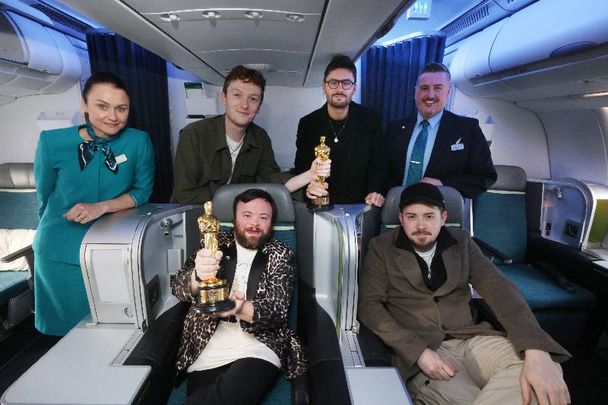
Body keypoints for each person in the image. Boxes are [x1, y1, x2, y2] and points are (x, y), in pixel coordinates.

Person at [358, 183, 571, 404]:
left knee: (545, 371)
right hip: (422, 349)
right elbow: (369, 306)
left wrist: (536, 348)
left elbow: (500, 290)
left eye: (429, 216)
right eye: (412, 217)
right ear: (401, 219)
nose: (421, 225)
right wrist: (418, 352)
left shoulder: (461, 242)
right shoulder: (381, 248)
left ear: (443, 217)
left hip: (472, 339)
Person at [33, 71, 155, 336]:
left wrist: (102, 207)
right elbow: (43, 197)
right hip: (60, 248)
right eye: (102, 106)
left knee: (112, 332)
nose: (113, 116)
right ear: (84, 104)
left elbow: (142, 191)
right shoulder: (52, 142)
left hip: (112, 247)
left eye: (121, 109)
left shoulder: (138, 141)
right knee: (63, 335)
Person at [172, 188, 306, 404]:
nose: (255, 223)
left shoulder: (280, 253)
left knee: (228, 396)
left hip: (260, 345)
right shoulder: (213, 243)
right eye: (247, 216)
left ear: (271, 223)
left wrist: (239, 307)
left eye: (264, 217)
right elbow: (178, 287)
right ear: (234, 219)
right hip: (209, 343)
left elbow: (277, 311)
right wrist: (197, 276)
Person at [171, 65, 329, 205]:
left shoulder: (260, 138)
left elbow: (273, 183)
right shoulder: (193, 134)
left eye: (253, 99)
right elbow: (185, 195)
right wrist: (244, 193)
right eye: (237, 95)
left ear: (258, 107)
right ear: (224, 98)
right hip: (194, 216)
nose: (244, 105)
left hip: (238, 219)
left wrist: (310, 174)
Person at [385, 62, 497, 198]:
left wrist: (443, 183)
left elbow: (485, 177)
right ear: (416, 92)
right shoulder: (395, 128)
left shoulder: (467, 129)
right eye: (424, 88)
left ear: (448, 91)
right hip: (394, 208)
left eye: (438, 88)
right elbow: (380, 170)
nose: (430, 95)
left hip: (440, 213)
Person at [293, 55, 387, 207]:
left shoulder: (370, 119)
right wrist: (309, 189)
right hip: (320, 204)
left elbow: (379, 164)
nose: (339, 89)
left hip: (361, 205)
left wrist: (375, 191)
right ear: (324, 87)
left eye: (346, 83)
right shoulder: (308, 123)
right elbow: (301, 167)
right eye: (333, 83)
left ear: (354, 88)